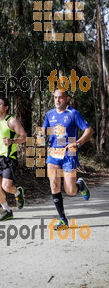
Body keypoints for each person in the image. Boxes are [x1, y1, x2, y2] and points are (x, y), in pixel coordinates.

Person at [41, 89, 93, 229]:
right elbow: (44, 131)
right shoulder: (49, 114)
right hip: (53, 155)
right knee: (54, 184)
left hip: (69, 155)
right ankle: (62, 219)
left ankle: (80, 185)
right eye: (55, 98)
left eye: (61, 98)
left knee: (70, 190)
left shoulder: (73, 113)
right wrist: (41, 137)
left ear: (67, 99)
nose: (57, 100)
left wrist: (77, 143)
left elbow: (89, 130)